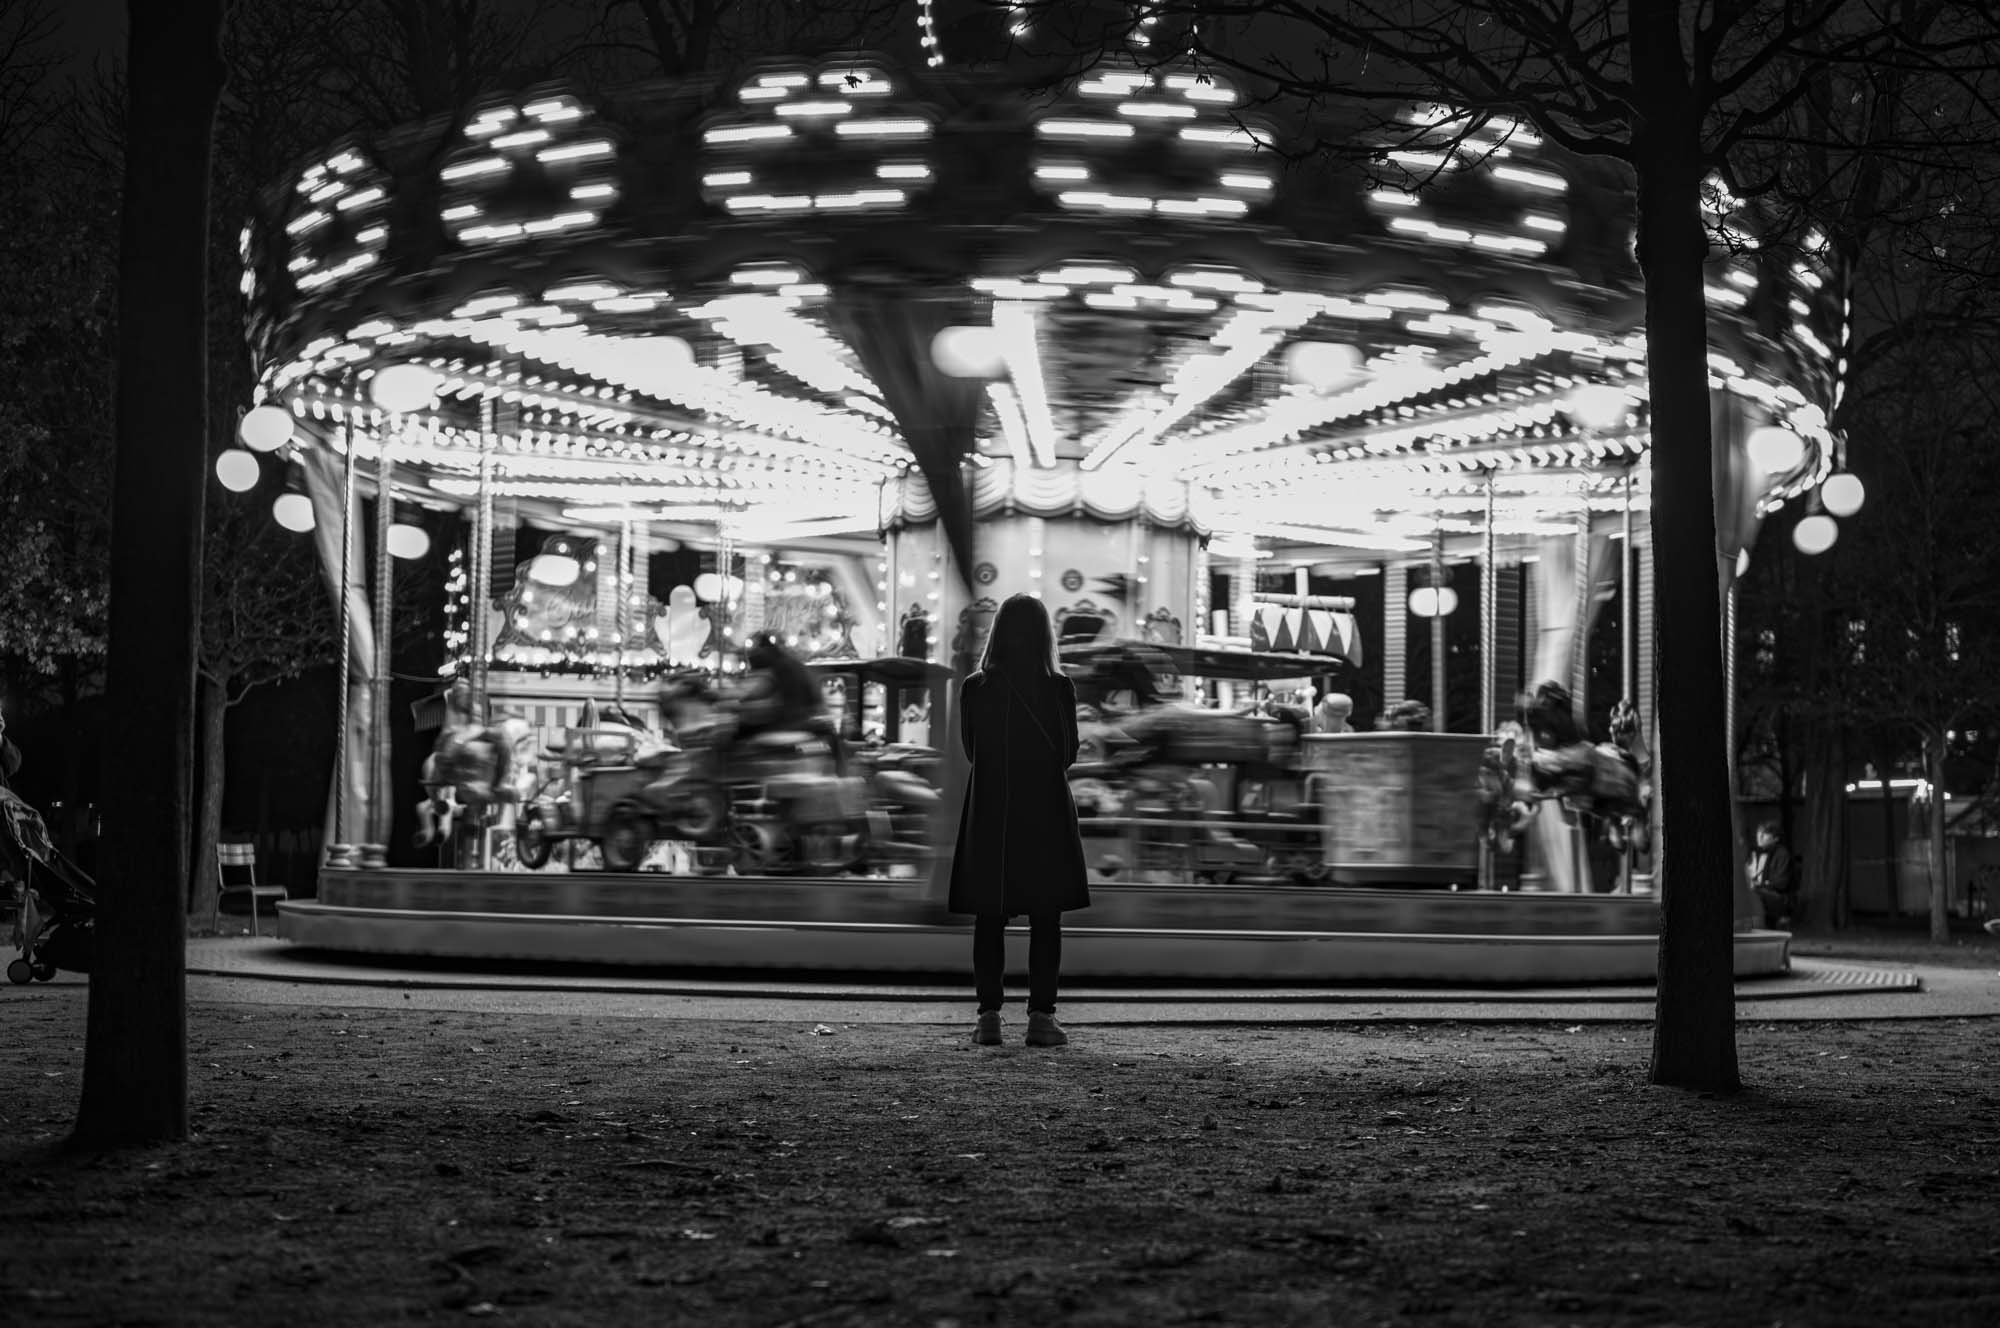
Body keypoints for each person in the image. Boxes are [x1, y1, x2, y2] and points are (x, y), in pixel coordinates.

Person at [948, 594, 1090, 1047]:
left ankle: (988, 1018)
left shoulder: (975, 687)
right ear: (1046, 633)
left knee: (990, 917)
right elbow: (1067, 752)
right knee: (1046, 918)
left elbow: (972, 750)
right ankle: (1041, 1020)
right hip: (1045, 811)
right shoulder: (1059, 687)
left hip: (992, 811)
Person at [1747, 820, 1798, 927]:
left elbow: (1781, 883)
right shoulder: (1755, 852)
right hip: (1764, 892)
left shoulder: (1782, 854)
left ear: (1776, 839)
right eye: (1758, 833)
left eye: (1764, 834)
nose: (1759, 837)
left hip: (1780, 898)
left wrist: (1760, 885)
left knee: (1754, 893)